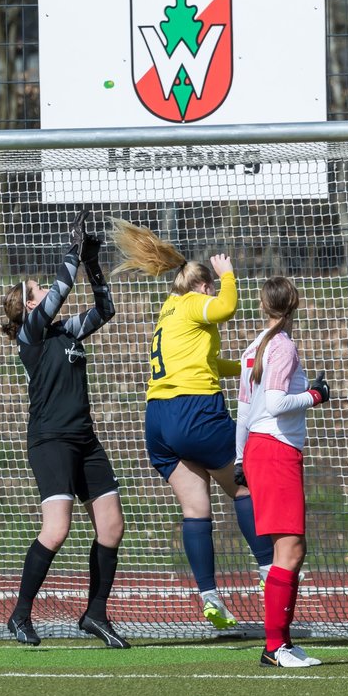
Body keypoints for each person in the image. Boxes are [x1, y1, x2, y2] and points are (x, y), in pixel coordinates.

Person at [110, 219, 274, 630]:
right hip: (193, 412)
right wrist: (228, 276)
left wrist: (246, 368)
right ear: (202, 287)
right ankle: (270, 571)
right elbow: (227, 307)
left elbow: (207, 362)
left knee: (196, 506)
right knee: (243, 485)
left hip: (158, 421)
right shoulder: (194, 302)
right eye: (211, 287)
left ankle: (209, 596)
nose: (213, 294)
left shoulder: (169, 312)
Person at [0, 210, 129, 649]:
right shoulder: (31, 335)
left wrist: (91, 263)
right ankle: (19, 615)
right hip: (50, 441)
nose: (43, 289)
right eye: (37, 290)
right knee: (56, 530)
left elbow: (105, 309)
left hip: (84, 439)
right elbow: (60, 290)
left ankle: (95, 614)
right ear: (30, 305)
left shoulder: (65, 333)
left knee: (111, 527)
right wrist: (72, 252)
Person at [235, 276, 330, 668]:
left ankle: (281, 643)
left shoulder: (255, 346)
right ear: (295, 303)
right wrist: (315, 395)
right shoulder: (282, 345)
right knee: (290, 550)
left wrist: (240, 457)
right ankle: (275, 646)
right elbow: (274, 403)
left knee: (285, 550)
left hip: (260, 449)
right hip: (274, 450)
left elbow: (243, 408)